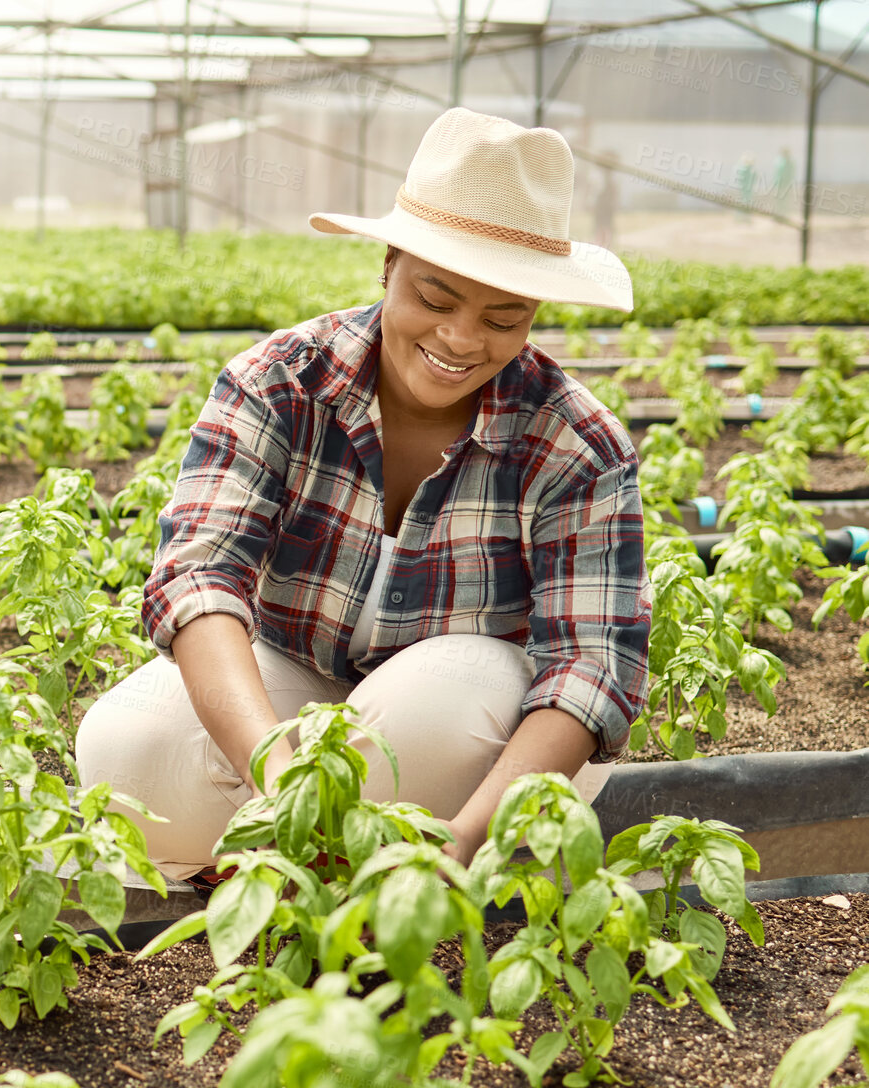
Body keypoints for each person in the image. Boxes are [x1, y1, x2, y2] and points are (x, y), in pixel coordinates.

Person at [76, 108, 649, 878]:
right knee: (125, 750)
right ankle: (312, 850)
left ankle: (355, 861)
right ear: (388, 265)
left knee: (448, 700)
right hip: (296, 674)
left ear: (533, 317)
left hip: (474, 728)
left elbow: (591, 666)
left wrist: (468, 835)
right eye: (435, 300)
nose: (459, 339)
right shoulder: (279, 382)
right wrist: (271, 765)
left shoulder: (575, 444)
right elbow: (199, 576)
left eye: (501, 318)